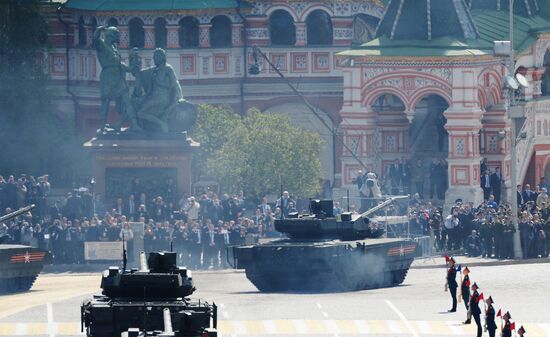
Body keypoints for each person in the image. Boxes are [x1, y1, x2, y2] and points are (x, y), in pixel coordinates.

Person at [93, 26, 141, 130]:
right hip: (108, 77)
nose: (118, 38)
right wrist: (99, 29)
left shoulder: (115, 48)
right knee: (105, 101)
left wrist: (131, 68)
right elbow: (95, 39)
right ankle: (102, 127)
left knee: (127, 101)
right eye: (117, 36)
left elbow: (119, 64)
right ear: (112, 35)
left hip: (118, 77)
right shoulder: (102, 45)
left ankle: (135, 124)